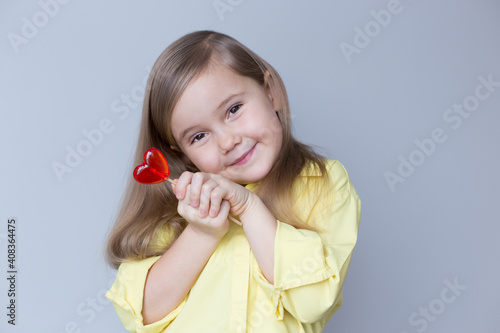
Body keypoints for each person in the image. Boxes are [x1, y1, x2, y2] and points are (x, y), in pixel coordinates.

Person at [105, 30, 361, 333]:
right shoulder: (177, 212)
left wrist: (250, 209)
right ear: (181, 151)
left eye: (233, 109)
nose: (227, 142)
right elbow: (141, 315)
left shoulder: (322, 182)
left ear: (270, 92)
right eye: (199, 136)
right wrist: (201, 233)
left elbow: (313, 302)